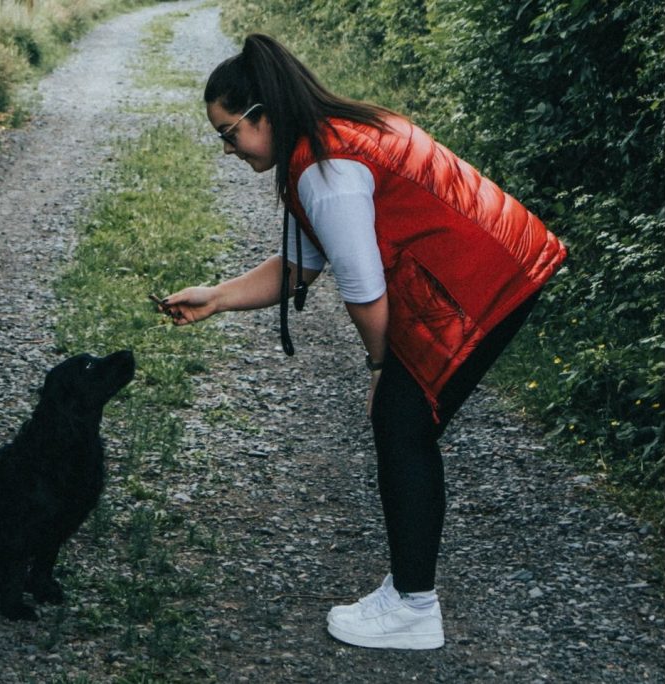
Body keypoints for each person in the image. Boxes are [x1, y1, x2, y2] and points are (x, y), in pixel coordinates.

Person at [157, 34, 566, 650]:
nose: (226, 149)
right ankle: (408, 592)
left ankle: (413, 608)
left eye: (228, 133)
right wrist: (215, 296)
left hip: (488, 281)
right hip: (503, 263)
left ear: (263, 113)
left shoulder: (326, 171)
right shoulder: (331, 135)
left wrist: (382, 366)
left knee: (401, 422)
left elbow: (365, 293)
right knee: (403, 423)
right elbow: (303, 262)